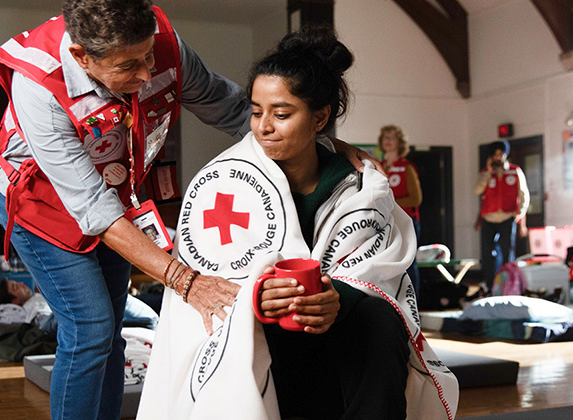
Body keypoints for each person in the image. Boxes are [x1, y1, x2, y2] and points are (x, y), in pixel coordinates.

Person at [0, 1, 374, 419]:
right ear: (82, 57)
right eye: (129, 65)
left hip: (113, 194)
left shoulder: (165, 44)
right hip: (39, 202)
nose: (147, 73)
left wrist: (320, 145)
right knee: (90, 328)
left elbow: (235, 110)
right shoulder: (39, 85)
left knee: (110, 331)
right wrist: (184, 280)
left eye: (149, 54)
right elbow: (92, 208)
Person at [138, 25, 458, 420]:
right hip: (266, 344)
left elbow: (382, 271)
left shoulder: (359, 186)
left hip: (337, 338)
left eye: (282, 113)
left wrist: (336, 298)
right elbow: (212, 279)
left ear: (319, 117)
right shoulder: (223, 182)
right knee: (261, 335)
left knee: (379, 321)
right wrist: (256, 300)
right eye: (256, 112)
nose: (264, 127)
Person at [0, 279, 159, 331]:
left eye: (17, 282)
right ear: (14, 301)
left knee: (154, 297)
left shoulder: (36, 297)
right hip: (94, 307)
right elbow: (50, 323)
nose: (21, 284)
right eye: (15, 287)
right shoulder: (33, 308)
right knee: (157, 302)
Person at [475, 140, 529, 290]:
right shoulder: (486, 172)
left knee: (507, 253)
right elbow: (478, 190)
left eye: (501, 154)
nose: (498, 157)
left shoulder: (515, 170)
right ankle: (490, 285)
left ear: (505, 155)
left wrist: (520, 212)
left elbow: (524, 193)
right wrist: (488, 172)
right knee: (487, 254)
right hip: (489, 218)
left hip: (507, 217)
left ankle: (508, 284)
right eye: (496, 155)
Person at [378, 125, 423, 296]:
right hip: (384, 223)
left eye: (392, 137)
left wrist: (391, 202)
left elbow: (416, 198)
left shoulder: (407, 167)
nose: (388, 141)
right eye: (385, 137)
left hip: (406, 222)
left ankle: (412, 302)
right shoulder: (379, 166)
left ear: (400, 142)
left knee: (408, 263)